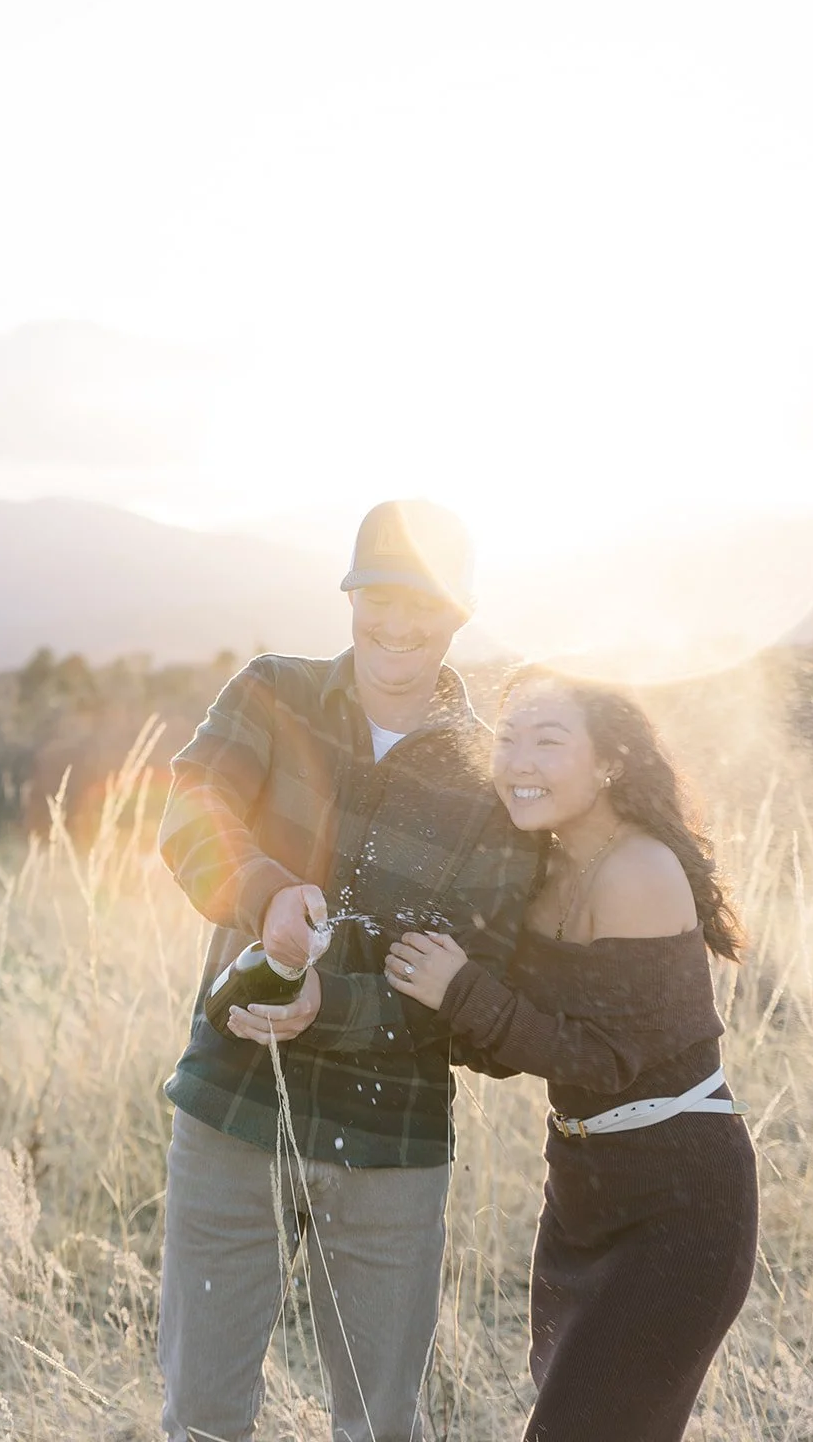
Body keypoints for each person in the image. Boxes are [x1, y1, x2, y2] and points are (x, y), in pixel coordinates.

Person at [156, 501, 544, 1442]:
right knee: (203, 1416)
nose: (397, 621)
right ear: (349, 596)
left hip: (389, 1147)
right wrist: (262, 892)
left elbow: (474, 981)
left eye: (423, 599)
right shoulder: (272, 693)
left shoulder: (490, 777)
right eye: (378, 593)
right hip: (234, 1112)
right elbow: (187, 811)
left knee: (377, 1424)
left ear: (459, 611)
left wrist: (330, 1002)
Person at [385, 664, 758, 1442]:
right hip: (581, 1192)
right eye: (508, 740)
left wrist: (458, 993)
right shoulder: (543, 869)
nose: (518, 762)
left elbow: (601, 1059)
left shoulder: (639, 870)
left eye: (547, 742)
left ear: (609, 762)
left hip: (678, 1200)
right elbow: (509, 1038)